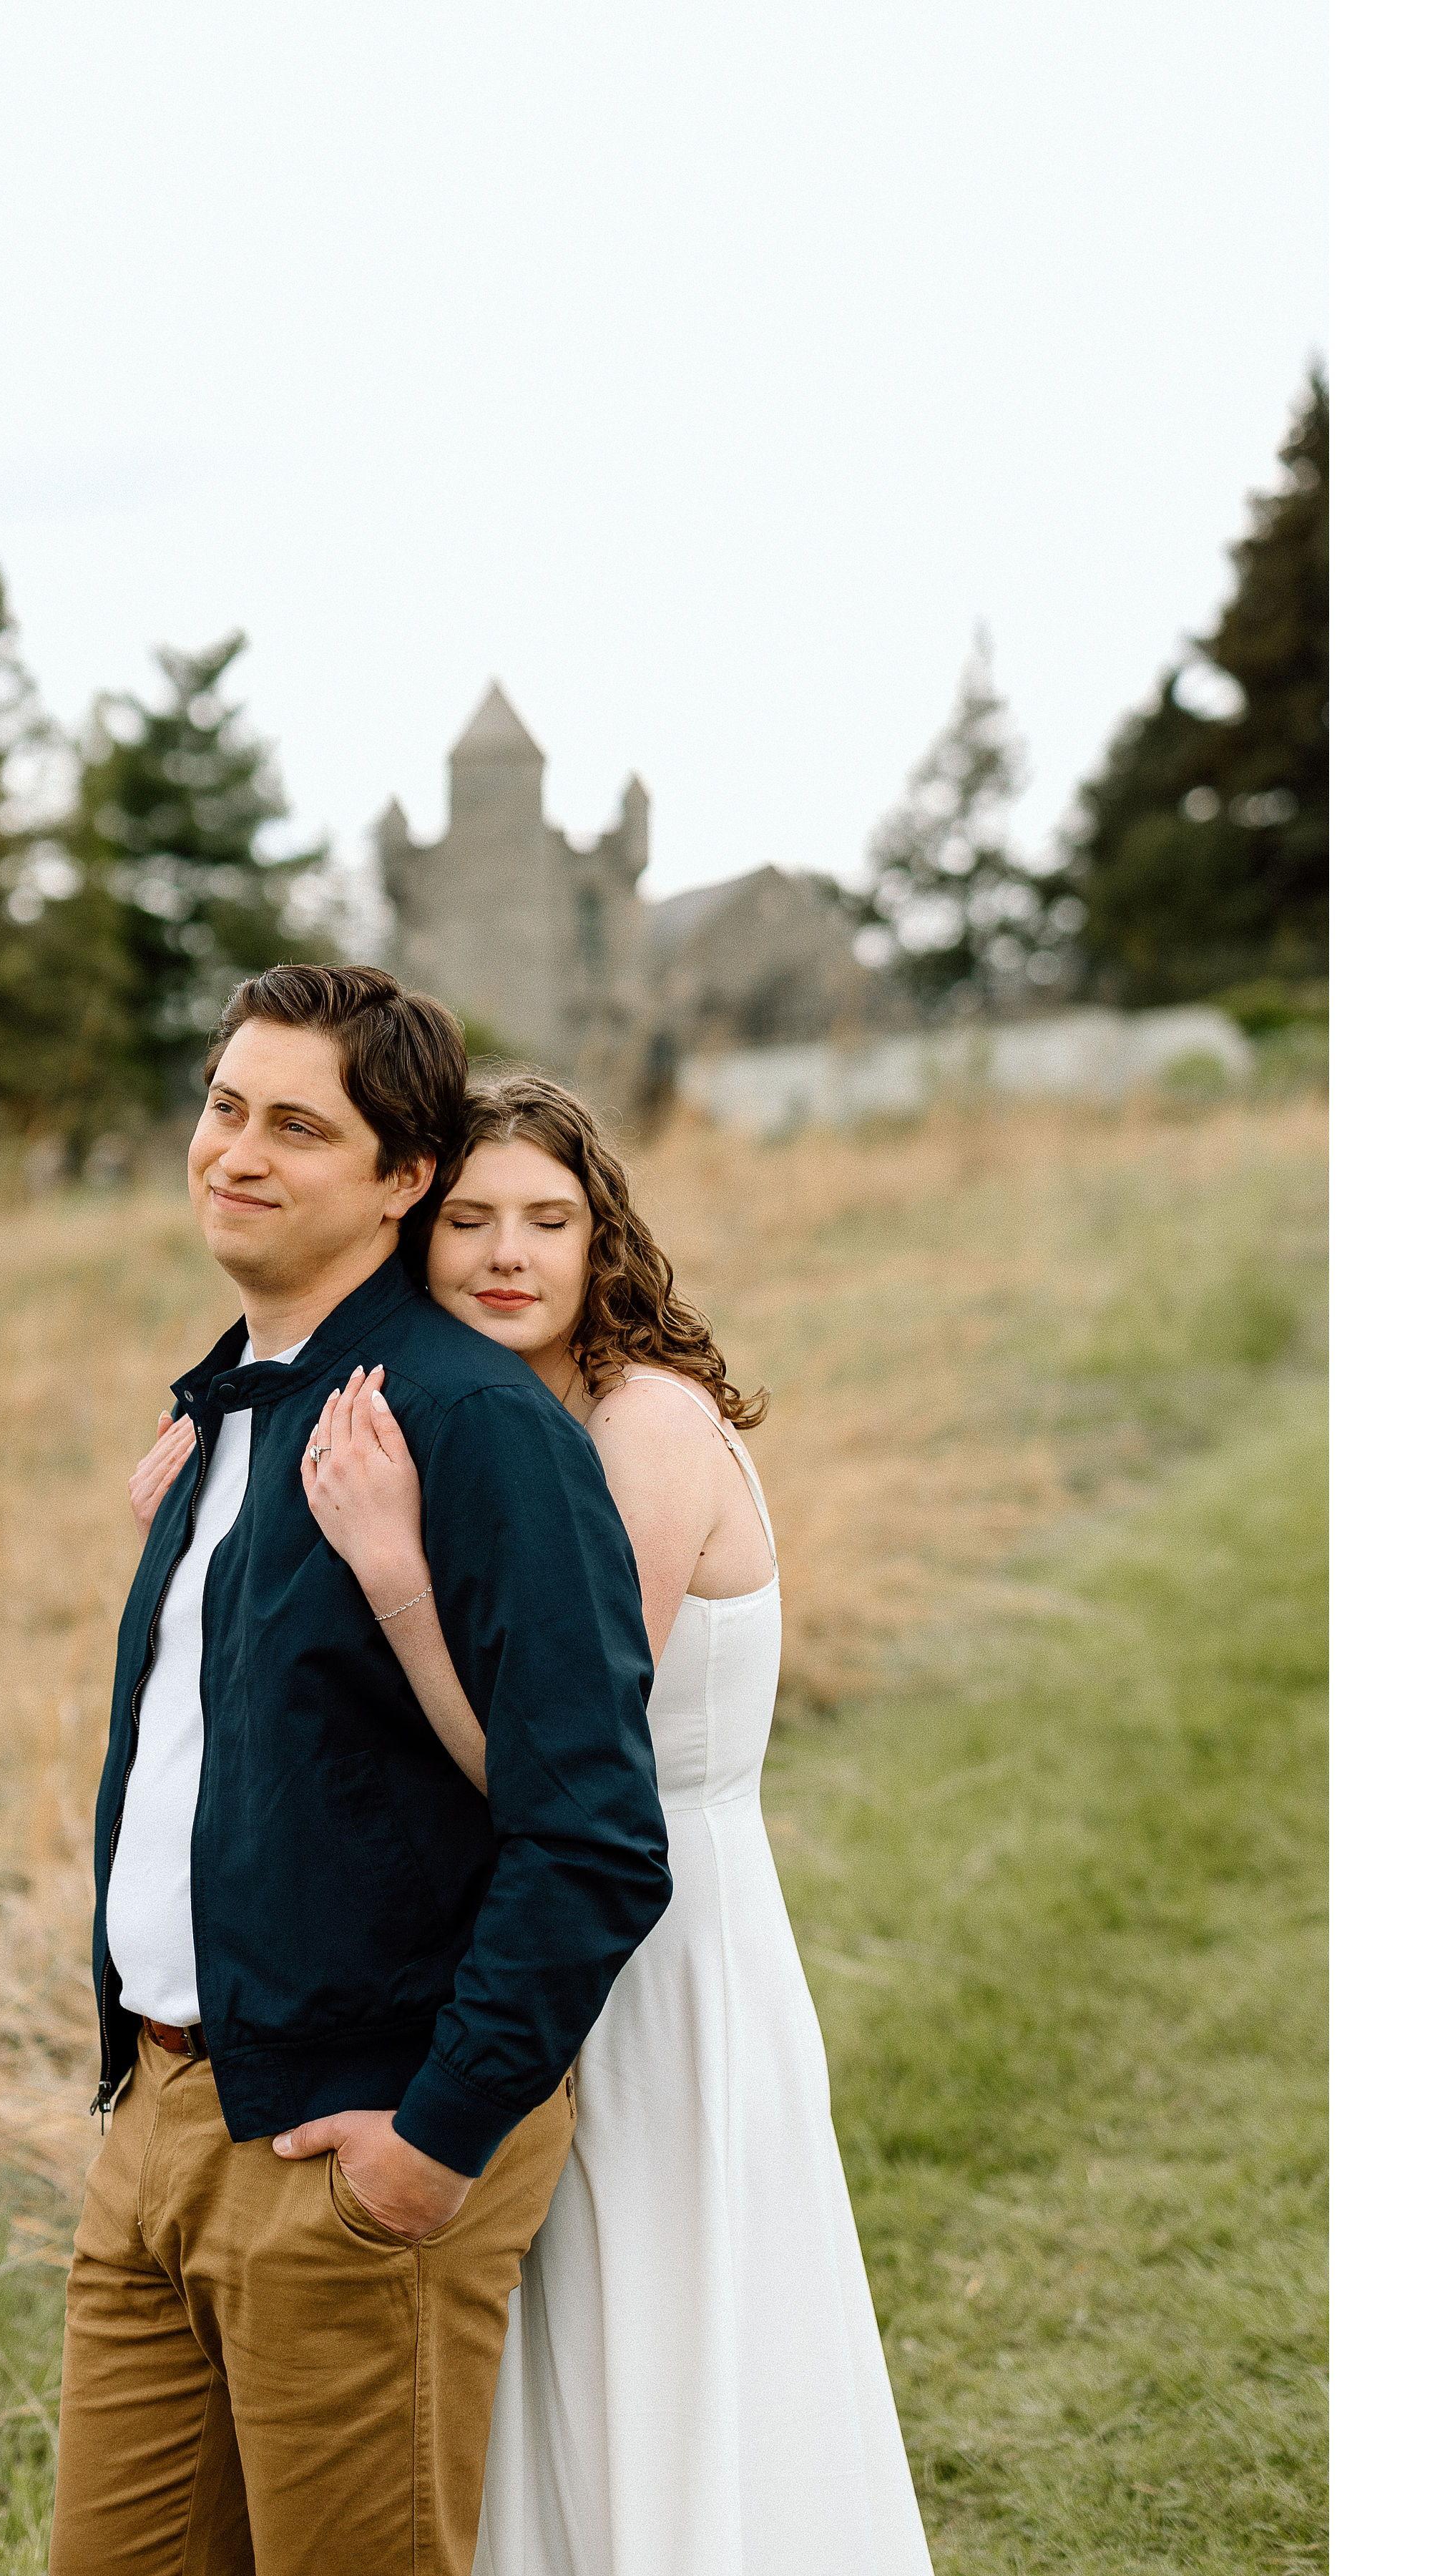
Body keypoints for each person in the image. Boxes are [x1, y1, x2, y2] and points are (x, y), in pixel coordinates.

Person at [55, 968, 672, 2576]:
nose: (238, 1153)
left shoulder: (473, 1427)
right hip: (162, 2120)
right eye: (225, 1108)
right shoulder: (229, 1409)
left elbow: (597, 1835)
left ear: (405, 1178)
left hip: (353, 2147)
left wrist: (435, 2141)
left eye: (298, 1127)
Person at [282, 1071, 936, 2576]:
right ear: (414, 1234)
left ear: (602, 1240)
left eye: (549, 1219)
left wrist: (392, 1572)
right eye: (470, 1221)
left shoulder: (643, 1425)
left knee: (661, 2331)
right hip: (540, 1937)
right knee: (559, 2349)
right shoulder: (499, 1421)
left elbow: (558, 1780)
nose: (508, 1254)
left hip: (652, 1939)